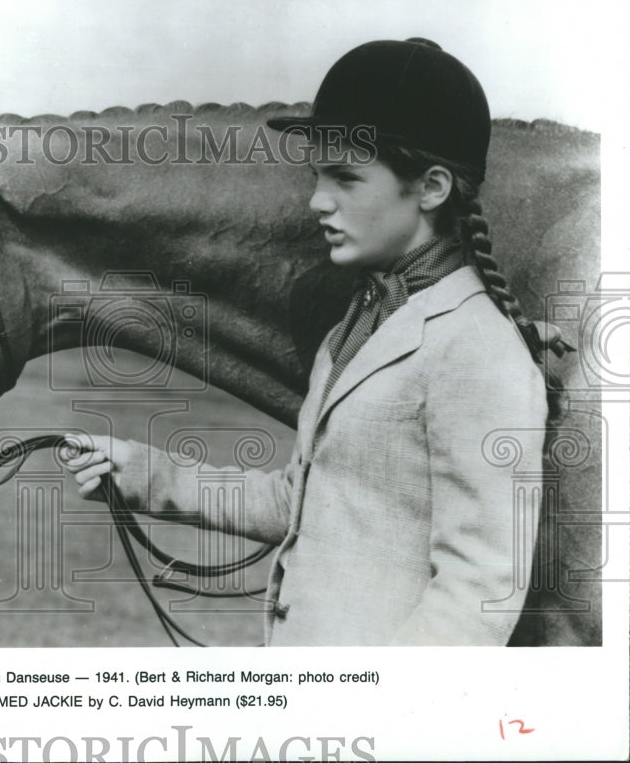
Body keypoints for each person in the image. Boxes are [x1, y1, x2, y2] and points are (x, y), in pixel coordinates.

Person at [63, 39, 569, 645]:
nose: (317, 201)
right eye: (317, 176)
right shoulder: (355, 328)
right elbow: (295, 502)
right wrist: (139, 471)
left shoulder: (477, 349)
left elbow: (480, 591)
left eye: (346, 179)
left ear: (432, 187)